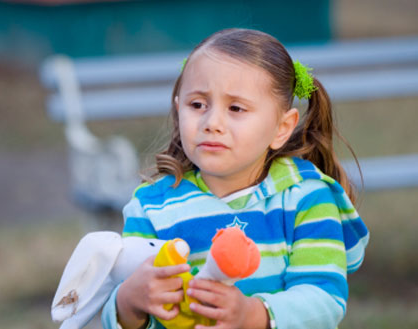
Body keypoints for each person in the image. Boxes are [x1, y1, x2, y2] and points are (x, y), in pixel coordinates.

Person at [101, 28, 369, 329]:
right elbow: (127, 316)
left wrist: (252, 316)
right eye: (197, 105)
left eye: (236, 108)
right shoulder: (151, 208)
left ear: (282, 127)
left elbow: (324, 301)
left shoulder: (305, 197)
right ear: (178, 110)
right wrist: (128, 303)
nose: (212, 122)